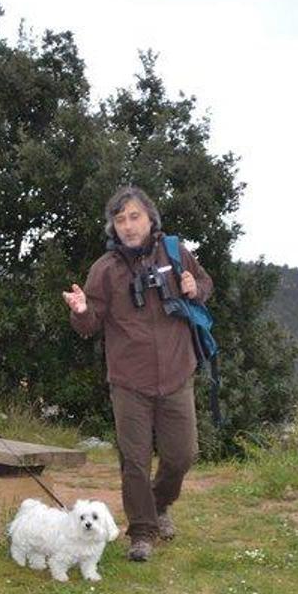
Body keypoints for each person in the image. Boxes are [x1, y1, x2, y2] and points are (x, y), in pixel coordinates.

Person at [63, 185, 213, 562]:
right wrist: (80, 309)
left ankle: (160, 504)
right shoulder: (105, 269)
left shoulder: (176, 254)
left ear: (150, 219)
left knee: (182, 455)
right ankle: (142, 531)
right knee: (134, 461)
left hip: (178, 373)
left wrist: (196, 287)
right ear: (113, 227)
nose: (128, 226)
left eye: (135, 217)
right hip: (129, 382)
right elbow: (89, 324)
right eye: (120, 219)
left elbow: (205, 284)